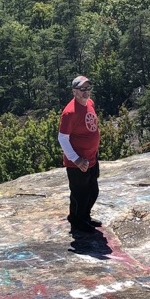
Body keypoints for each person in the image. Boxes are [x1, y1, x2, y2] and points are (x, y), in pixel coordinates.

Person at [58, 75, 102, 233]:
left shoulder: (90, 103)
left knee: (92, 191)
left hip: (91, 158)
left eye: (88, 88)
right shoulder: (69, 113)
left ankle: (85, 217)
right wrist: (76, 159)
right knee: (80, 194)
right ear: (74, 91)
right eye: (82, 89)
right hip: (78, 162)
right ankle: (77, 221)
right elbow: (62, 138)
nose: (86, 92)